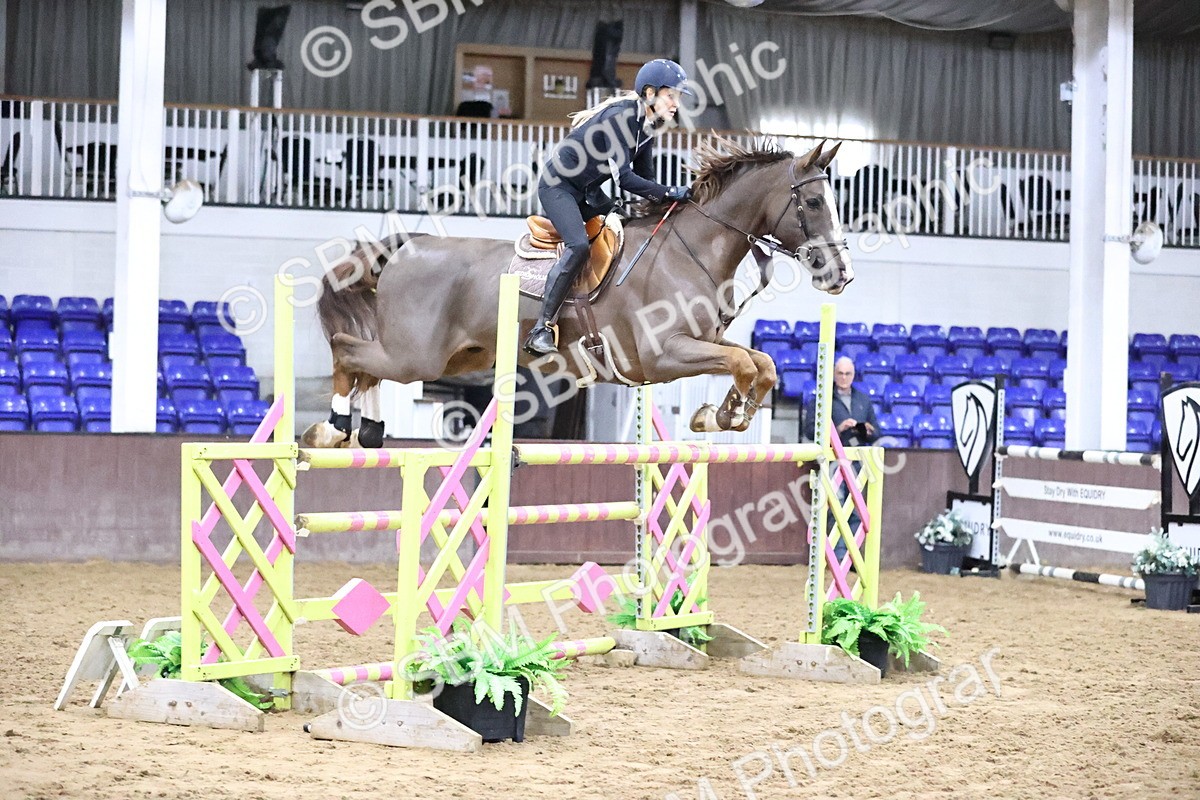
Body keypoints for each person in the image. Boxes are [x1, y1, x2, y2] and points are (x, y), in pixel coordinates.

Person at [522, 58, 695, 357]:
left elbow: (647, 180)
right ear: (650, 93)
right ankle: (541, 328)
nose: (676, 104)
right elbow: (625, 178)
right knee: (578, 246)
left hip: (587, 191)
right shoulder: (621, 118)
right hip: (558, 187)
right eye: (672, 96)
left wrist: (670, 202)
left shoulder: (647, 128)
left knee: (622, 232)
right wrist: (669, 191)